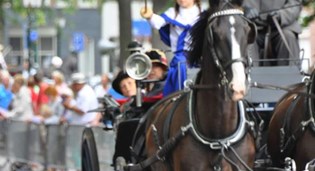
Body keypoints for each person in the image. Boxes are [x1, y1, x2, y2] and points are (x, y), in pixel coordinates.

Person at [140, 0, 202, 96]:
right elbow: (158, 23)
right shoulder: (172, 13)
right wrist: (150, 16)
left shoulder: (204, 14)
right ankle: (181, 97)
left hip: (201, 54)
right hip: (182, 57)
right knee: (181, 64)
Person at [243, 0, 302, 66]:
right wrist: (245, 9)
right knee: (245, 39)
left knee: (288, 36)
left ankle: (290, 73)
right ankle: (247, 73)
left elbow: (295, 4)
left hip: (282, 26)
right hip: (254, 26)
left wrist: (281, 14)